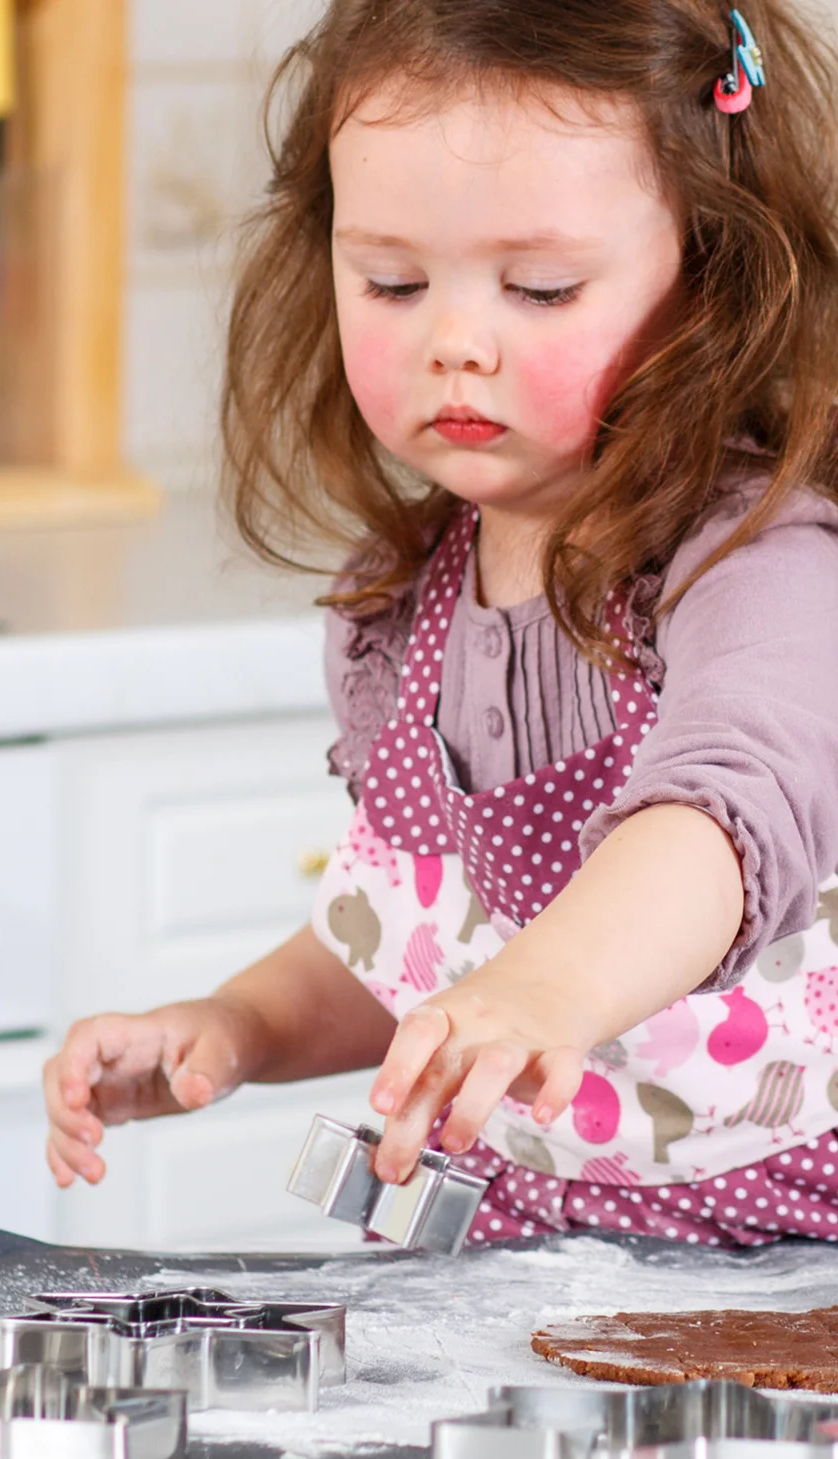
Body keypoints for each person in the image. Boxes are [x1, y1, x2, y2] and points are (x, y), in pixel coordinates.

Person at [43, 0, 838, 1248]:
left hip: (773, 1276)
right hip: (506, 1268)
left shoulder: (762, 564)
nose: (454, 342)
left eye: (539, 288)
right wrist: (237, 1026)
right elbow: (412, 947)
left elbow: (719, 823)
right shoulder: (398, 609)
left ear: (708, 281)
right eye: (394, 281)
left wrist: (539, 993)